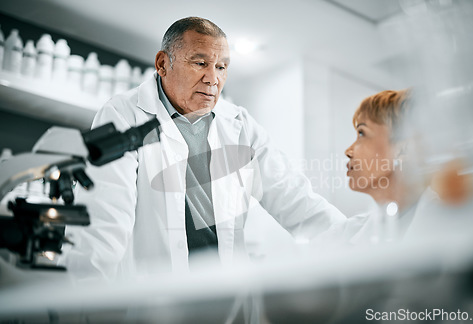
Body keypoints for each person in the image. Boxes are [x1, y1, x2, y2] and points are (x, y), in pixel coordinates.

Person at [62, 17, 346, 280]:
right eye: (200, 63)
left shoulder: (239, 124)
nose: (213, 79)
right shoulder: (124, 114)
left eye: (221, 67)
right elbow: (101, 224)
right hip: (155, 302)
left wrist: (361, 243)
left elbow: (296, 198)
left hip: (228, 299)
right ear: (163, 64)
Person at [343, 89, 436, 244]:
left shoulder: (448, 220)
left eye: (361, 133)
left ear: (402, 150)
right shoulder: (350, 230)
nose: (348, 151)